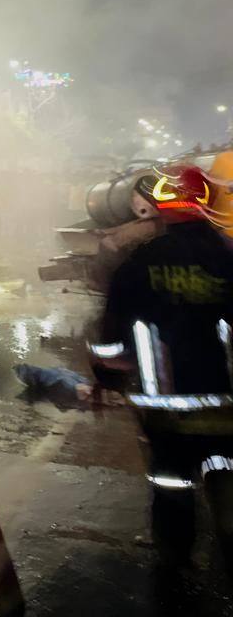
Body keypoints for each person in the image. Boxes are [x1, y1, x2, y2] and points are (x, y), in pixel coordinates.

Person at [90, 164, 233, 573]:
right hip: (226, 404)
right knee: (226, 475)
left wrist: (108, 377)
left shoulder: (141, 262)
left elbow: (111, 336)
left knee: (173, 484)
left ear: (162, 206)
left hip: (167, 409)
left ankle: (175, 566)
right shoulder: (228, 256)